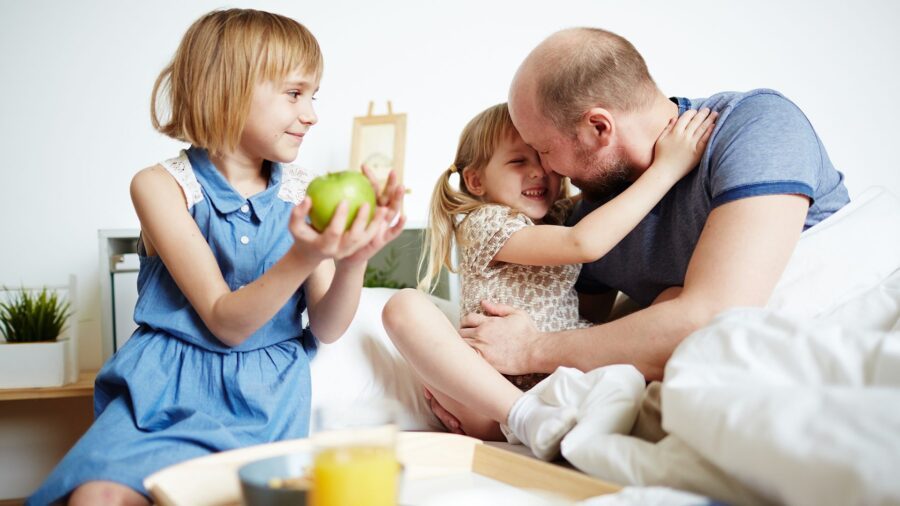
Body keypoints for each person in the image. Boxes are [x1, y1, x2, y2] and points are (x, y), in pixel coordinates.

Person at [28, 9, 404, 505]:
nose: (311, 113)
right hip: (162, 391)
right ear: (227, 88)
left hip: (265, 398)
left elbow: (328, 327)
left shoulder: (304, 191)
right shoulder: (161, 186)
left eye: (314, 96)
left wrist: (354, 259)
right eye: (295, 94)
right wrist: (306, 252)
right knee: (97, 495)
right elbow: (226, 322)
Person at [424, 26, 851, 433]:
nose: (548, 170)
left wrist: (530, 348)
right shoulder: (589, 212)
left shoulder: (755, 127)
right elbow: (585, 329)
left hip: (828, 377)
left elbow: (711, 319)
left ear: (598, 127)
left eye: (545, 149)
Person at [382, 102, 714, 459]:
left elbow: (608, 210)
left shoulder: (560, 216)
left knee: (673, 299)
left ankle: (645, 411)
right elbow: (583, 242)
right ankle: (526, 416)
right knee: (404, 306)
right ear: (476, 180)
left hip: (564, 380)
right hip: (494, 396)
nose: (538, 172)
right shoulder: (483, 222)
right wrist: (666, 168)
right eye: (518, 161)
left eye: (544, 158)